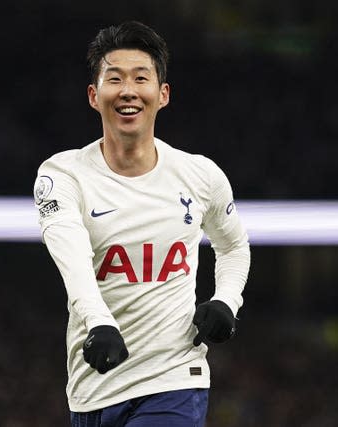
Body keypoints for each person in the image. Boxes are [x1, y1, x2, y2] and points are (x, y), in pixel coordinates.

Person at [33, 21, 251, 427]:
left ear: (162, 94)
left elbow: (234, 246)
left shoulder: (200, 175)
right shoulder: (62, 175)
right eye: (114, 79)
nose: (128, 90)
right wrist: (98, 322)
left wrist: (226, 300)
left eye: (141, 78)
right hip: (94, 384)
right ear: (94, 96)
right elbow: (74, 261)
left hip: (175, 379)